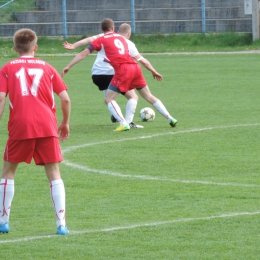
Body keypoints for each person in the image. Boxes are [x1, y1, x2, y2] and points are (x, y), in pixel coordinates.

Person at [0, 28, 71, 235]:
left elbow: (1, 97)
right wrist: (65, 123)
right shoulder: (48, 67)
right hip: (47, 125)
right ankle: (61, 225)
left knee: (8, 171)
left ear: (15, 48)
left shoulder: (7, 68)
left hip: (20, 125)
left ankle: (3, 221)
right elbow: (65, 98)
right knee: (54, 172)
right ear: (36, 47)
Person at [62, 18, 177, 132]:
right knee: (147, 96)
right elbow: (142, 60)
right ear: (113, 28)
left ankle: (123, 122)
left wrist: (69, 64)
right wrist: (153, 71)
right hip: (135, 68)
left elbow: (84, 50)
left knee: (109, 99)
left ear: (102, 29)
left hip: (118, 71)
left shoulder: (100, 39)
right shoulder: (125, 41)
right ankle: (170, 118)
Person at [63, 24, 143, 129]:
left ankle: (115, 114)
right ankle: (127, 122)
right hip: (112, 72)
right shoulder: (121, 39)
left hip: (96, 74)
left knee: (109, 95)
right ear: (113, 28)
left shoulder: (101, 37)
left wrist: (74, 46)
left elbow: (88, 41)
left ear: (102, 29)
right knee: (132, 97)